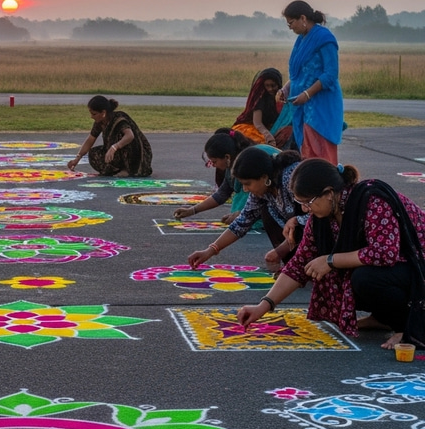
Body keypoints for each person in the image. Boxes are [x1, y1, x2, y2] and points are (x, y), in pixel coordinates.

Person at [237, 160, 425, 350]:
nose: (304, 209)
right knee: (343, 278)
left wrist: (330, 260)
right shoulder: (323, 217)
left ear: (328, 193)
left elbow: (385, 253)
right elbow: (299, 264)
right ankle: (382, 318)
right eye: (300, 202)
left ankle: (406, 328)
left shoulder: (372, 200)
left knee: (363, 278)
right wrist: (263, 306)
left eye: (307, 202)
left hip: (418, 269)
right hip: (397, 271)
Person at [188, 146, 305, 270]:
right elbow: (243, 221)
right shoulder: (263, 190)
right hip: (299, 234)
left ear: (264, 177)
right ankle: (295, 266)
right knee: (266, 212)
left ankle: (303, 264)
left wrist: (280, 251)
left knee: (271, 214)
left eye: (247, 184)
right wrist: (210, 250)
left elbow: (316, 218)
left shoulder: (291, 178)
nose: (245, 189)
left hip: (321, 232)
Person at [276, 1, 343, 163]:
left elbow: (331, 73)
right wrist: (286, 88)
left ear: (303, 18)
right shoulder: (301, 39)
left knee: (319, 151)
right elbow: (298, 74)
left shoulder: (324, 38)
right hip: (302, 106)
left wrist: (307, 94)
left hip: (320, 105)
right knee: (305, 151)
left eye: (291, 23)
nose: (290, 27)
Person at [174, 129, 277, 224]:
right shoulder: (234, 164)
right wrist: (192, 210)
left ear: (227, 157)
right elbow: (222, 193)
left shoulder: (249, 161)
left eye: (214, 161)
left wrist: (243, 214)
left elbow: (268, 197)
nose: (213, 165)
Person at [67, 96, 152, 177]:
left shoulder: (119, 119)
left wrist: (115, 147)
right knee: (94, 153)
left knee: (122, 138)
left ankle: (129, 169)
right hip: (120, 154)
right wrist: (77, 158)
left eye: (94, 114)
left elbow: (130, 135)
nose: (91, 117)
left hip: (139, 154)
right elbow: (90, 139)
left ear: (103, 113)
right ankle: (117, 169)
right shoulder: (100, 122)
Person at [231, 68, 294, 149]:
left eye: (273, 85)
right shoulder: (260, 99)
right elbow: (257, 122)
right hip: (257, 129)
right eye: (267, 86)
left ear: (279, 84)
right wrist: (268, 135)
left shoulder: (282, 97)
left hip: (272, 128)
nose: (270, 89)